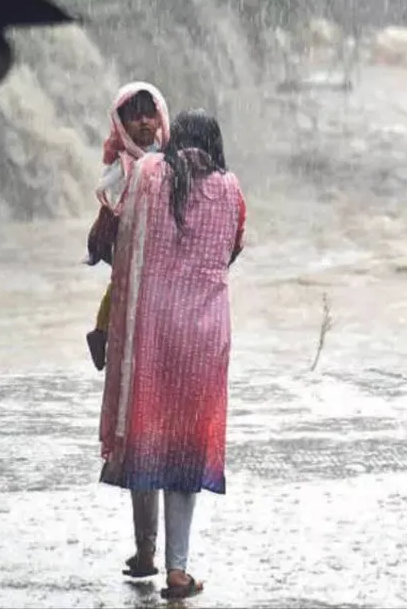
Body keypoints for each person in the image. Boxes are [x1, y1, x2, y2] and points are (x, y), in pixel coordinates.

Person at [96, 109, 246, 600]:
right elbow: (231, 250)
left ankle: (146, 551)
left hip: (153, 328)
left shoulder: (147, 176)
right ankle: (178, 572)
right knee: (185, 449)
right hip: (204, 334)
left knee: (147, 435)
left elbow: (117, 233)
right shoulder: (231, 190)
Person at [84, 82, 171, 371]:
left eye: (150, 114)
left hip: (157, 240)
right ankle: (101, 333)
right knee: (121, 286)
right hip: (126, 236)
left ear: (160, 117)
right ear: (122, 123)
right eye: (135, 116)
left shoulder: (167, 155)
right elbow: (110, 199)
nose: (144, 121)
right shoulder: (121, 161)